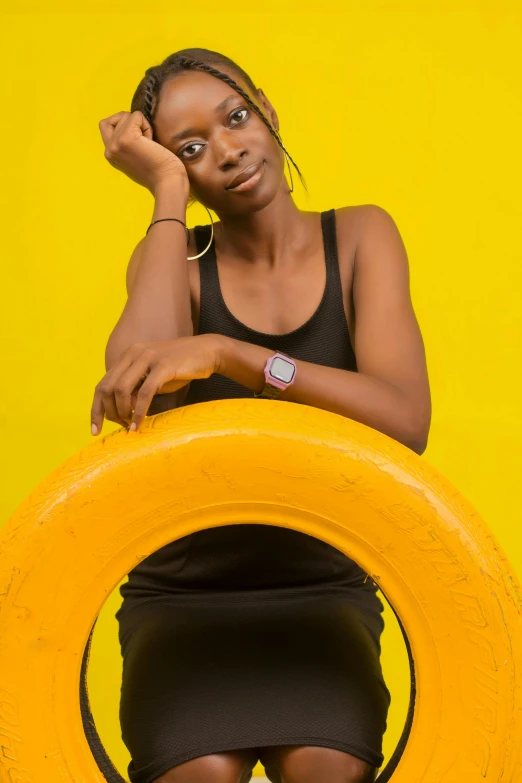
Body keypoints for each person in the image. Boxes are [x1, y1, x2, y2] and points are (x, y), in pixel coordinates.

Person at [93, 47, 431, 783]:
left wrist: (232, 355)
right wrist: (166, 195)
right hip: (184, 597)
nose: (228, 149)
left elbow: (405, 423)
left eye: (236, 118)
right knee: (201, 772)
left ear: (268, 112)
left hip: (319, 588)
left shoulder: (363, 237)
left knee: (325, 765)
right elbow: (130, 390)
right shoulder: (172, 260)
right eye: (190, 149)